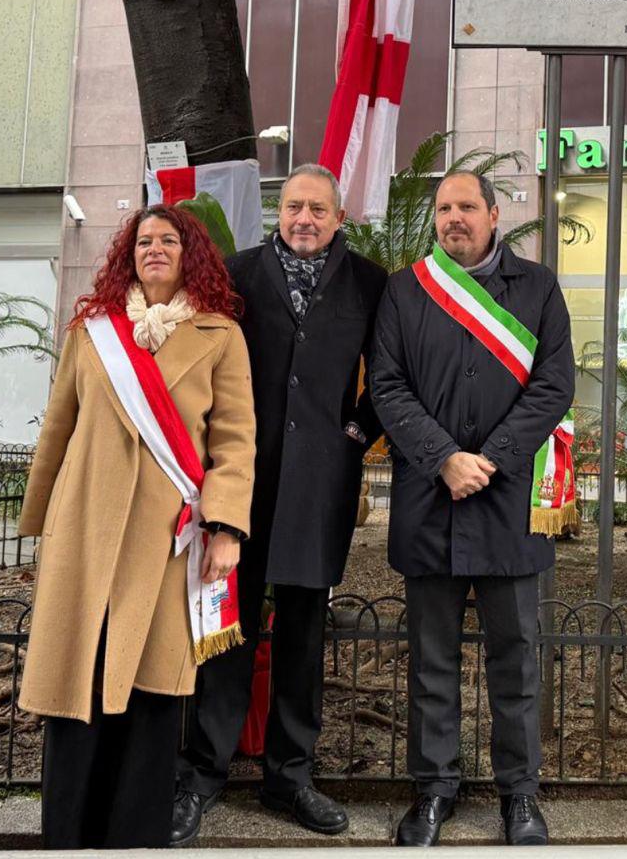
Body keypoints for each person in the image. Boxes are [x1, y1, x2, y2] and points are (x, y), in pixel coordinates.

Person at [17, 204, 256, 850]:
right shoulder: (92, 330)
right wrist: (38, 524)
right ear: (129, 253)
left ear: (190, 253)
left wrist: (228, 528)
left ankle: (132, 837)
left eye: (168, 239)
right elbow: (57, 426)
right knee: (79, 683)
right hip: (84, 529)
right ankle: (67, 835)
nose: (155, 248)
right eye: (144, 240)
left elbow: (234, 440)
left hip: (168, 541)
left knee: (150, 693)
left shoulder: (220, 334)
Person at [173, 165, 388, 841]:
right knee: (225, 628)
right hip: (242, 480)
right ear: (279, 210)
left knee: (302, 635)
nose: (304, 218)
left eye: (318, 209)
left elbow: (392, 369)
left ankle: (289, 775)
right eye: (294, 205)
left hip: (322, 483)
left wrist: (357, 432)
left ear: (338, 217)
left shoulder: (370, 282)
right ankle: (201, 773)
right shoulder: (236, 273)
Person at [370, 171, 575, 847]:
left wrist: (491, 455)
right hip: (430, 501)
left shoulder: (539, 288)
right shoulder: (405, 291)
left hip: (509, 504)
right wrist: (444, 458)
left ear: (494, 213)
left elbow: (554, 385)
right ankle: (433, 791)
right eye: (444, 208)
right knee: (431, 661)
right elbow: (388, 388)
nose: (454, 217)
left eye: (467, 207)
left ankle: (520, 795)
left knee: (516, 659)